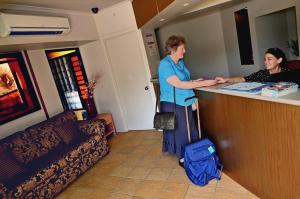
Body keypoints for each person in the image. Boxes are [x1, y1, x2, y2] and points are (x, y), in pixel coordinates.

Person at [158, 35, 216, 167]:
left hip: (184, 100)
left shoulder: (180, 63)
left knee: (190, 129)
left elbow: (185, 80)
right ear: (173, 49)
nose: (185, 51)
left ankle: (191, 153)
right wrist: (205, 83)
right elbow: (178, 84)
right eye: (182, 48)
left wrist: (196, 81)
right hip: (172, 104)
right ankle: (183, 157)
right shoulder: (164, 64)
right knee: (182, 131)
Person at [215, 48, 290, 83]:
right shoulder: (261, 74)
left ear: (279, 60)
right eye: (264, 59)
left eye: (269, 59)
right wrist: (226, 79)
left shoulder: (288, 73)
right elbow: (243, 79)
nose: (265, 62)